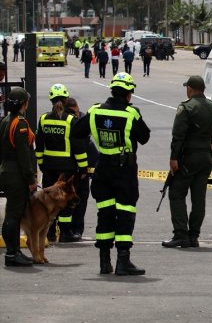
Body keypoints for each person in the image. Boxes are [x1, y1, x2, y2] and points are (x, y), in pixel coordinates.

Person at [72, 73, 151, 275]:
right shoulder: (131, 113)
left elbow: (76, 132)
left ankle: (104, 262)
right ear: (128, 94)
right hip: (124, 170)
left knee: (105, 213)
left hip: (103, 168)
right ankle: (123, 262)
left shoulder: (95, 111)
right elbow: (144, 138)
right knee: (125, 213)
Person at [161, 76, 212, 248]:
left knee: (176, 194)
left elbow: (178, 136)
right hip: (205, 157)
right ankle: (194, 236)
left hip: (187, 158)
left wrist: (173, 158)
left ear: (190, 89)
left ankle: (180, 234)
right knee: (199, 199)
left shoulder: (186, 108)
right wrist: (208, 140)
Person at [36, 84, 88, 243]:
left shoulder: (43, 119)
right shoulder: (71, 120)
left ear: (51, 99)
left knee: (49, 199)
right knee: (66, 199)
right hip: (67, 168)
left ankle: (50, 231)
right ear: (66, 100)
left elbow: (39, 145)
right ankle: (65, 232)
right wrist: (83, 166)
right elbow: (78, 146)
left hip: (49, 167)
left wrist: (41, 164)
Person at [0, 87, 38, 266]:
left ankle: (14, 251)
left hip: (7, 170)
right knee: (14, 215)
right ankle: (12, 253)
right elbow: (23, 154)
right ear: (24, 103)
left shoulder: (6, 120)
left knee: (12, 213)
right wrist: (31, 179)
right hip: (16, 173)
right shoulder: (20, 123)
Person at [65, 97, 98, 239]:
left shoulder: (82, 119)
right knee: (69, 200)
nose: (75, 115)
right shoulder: (69, 122)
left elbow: (88, 147)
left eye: (76, 112)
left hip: (83, 168)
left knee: (81, 200)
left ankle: (77, 229)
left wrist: (86, 169)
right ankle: (67, 230)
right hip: (72, 168)